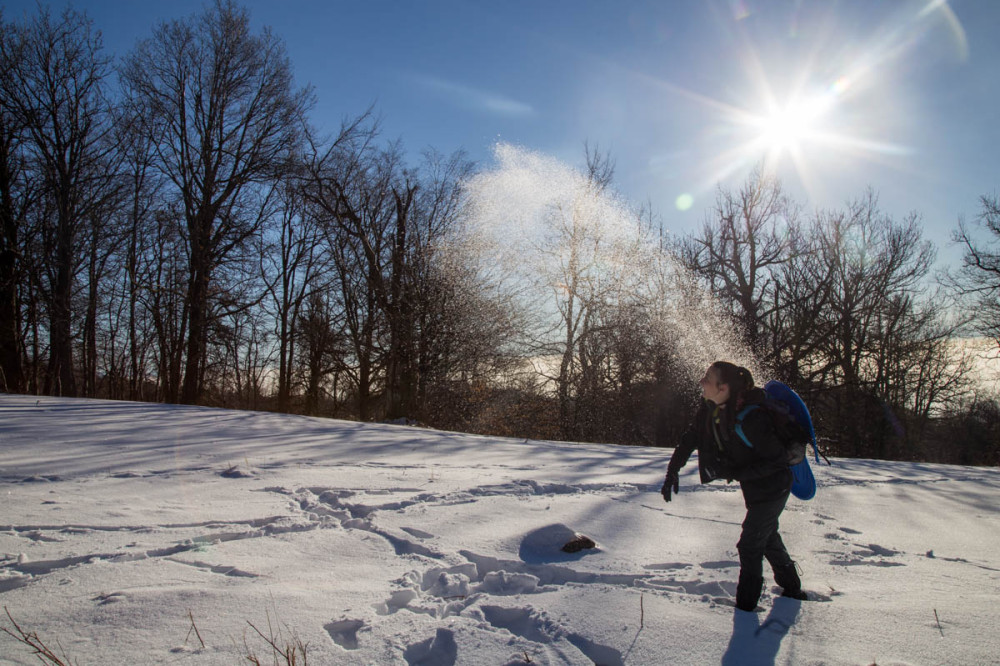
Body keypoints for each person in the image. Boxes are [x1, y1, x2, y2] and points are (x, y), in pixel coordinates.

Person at [661, 361, 807, 611]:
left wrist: (738, 472)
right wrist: (672, 471)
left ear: (723, 387)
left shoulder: (753, 419)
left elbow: (778, 460)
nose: (701, 382)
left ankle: (746, 607)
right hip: (754, 488)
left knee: (750, 544)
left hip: (775, 488)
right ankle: (792, 588)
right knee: (767, 536)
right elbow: (690, 439)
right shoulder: (711, 409)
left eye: (707, 378)